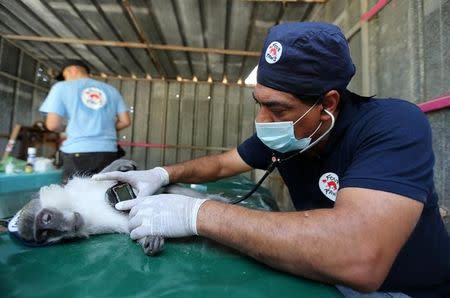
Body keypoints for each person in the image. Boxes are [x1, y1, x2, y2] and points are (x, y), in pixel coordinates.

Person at [93, 22, 450, 297]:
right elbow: (221, 164)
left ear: (327, 104)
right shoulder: (290, 133)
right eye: (259, 103)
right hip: (323, 278)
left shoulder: (393, 125)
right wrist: (160, 173)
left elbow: (360, 257)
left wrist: (196, 214)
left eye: (277, 108)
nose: (262, 121)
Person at [40, 60, 131, 180]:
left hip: (77, 152)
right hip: (109, 152)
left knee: (77, 195)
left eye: (65, 76)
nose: (64, 80)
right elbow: (125, 121)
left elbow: (52, 125)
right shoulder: (112, 90)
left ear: (73, 70)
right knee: (104, 194)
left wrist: (71, 127)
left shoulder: (61, 87)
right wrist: (104, 128)